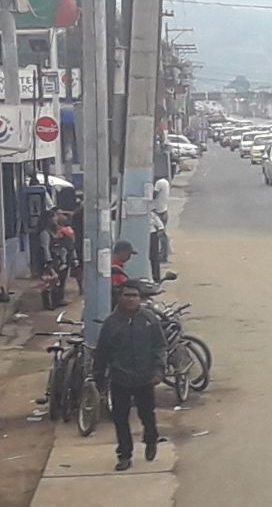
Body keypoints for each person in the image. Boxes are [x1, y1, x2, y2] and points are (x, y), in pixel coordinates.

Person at [93, 280, 167, 471]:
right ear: (119, 297)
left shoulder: (149, 319)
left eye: (135, 296)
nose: (131, 299)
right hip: (120, 380)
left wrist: (159, 370)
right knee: (120, 418)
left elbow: (159, 346)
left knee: (147, 415)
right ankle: (124, 455)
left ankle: (151, 439)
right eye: (127, 295)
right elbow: (101, 353)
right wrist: (99, 379)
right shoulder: (110, 324)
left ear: (140, 298)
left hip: (145, 378)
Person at [38, 210, 73, 310]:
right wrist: (48, 261)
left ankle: (56, 301)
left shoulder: (55, 231)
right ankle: (48, 304)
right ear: (48, 219)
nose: (56, 219)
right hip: (49, 260)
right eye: (54, 217)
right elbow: (45, 248)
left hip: (56, 259)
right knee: (48, 282)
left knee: (57, 281)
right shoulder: (45, 233)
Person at [152, 176, 171, 262]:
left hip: (158, 212)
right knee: (163, 235)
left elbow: (153, 196)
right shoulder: (165, 182)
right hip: (164, 210)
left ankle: (162, 256)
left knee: (160, 235)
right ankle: (165, 254)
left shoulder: (159, 183)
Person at [148, 211, 165, 282]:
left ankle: (156, 277)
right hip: (141, 235)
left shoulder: (151, 214)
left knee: (154, 257)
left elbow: (161, 227)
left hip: (152, 235)